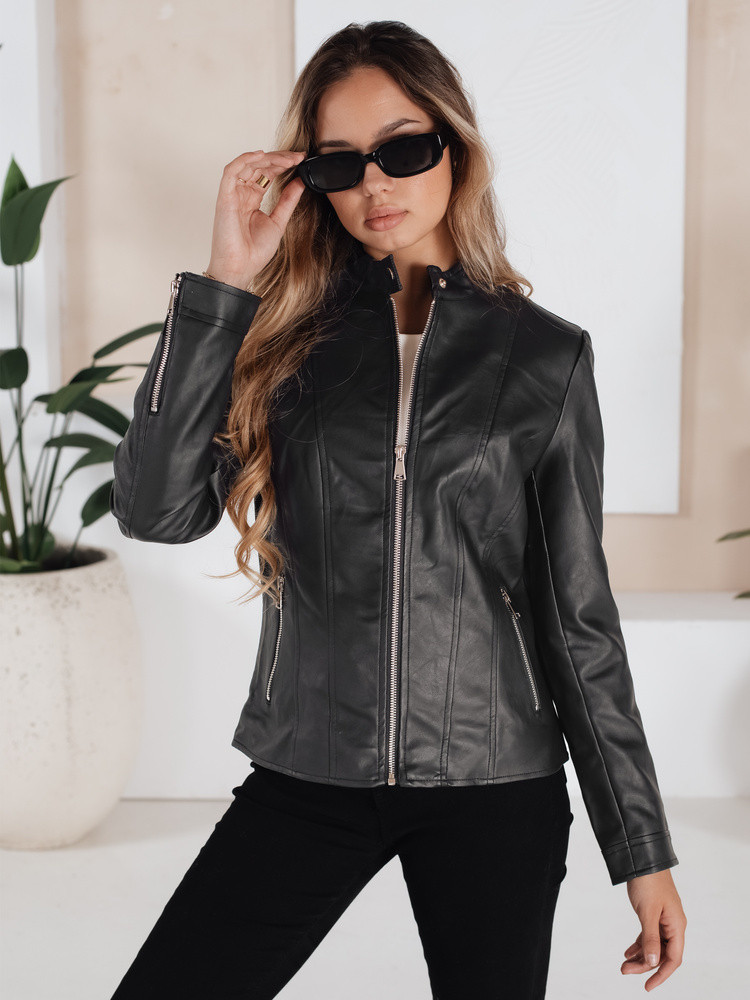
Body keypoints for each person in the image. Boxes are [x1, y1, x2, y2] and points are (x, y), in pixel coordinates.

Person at [108, 19, 687, 1000]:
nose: (375, 183)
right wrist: (223, 283)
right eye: (341, 163)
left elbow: (577, 619)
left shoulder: (544, 358)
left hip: (496, 782)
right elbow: (155, 514)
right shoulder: (280, 343)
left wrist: (642, 847)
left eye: (404, 149)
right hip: (309, 769)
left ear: (454, 149)